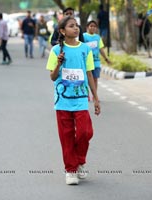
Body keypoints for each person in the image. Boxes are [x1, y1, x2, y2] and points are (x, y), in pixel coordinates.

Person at [46, 16, 101, 185]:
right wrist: (58, 64)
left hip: (81, 99)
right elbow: (52, 76)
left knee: (85, 132)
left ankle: (79, 161)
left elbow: (89, 74)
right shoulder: (56, 51)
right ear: (62, 31)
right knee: (67, 136)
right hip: (62, 101)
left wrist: (96, 98)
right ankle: (71, 170)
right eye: (71, 26)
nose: (76, 28)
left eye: (77, 25)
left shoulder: (85, 49)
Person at [83, 20, 111, 101]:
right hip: (86, 62)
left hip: (96, 62)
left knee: (95, 79)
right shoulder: (83, 36)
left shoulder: (97, 38)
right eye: (91, 26)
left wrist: (106, 58)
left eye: (94, 26)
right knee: (87, 79)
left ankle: (94, 96)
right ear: (87, 27)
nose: (93, 28)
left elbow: (101, 49)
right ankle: (86, 94)